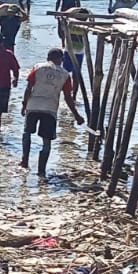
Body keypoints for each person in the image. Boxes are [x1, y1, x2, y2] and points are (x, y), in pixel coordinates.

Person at [20, 46, 86, 177]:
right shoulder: (65, 75)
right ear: (61, 59)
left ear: (48, 58)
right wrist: (77, 115)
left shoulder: (37, 68)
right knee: (46, 142)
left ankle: (24, 161)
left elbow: (28, 88)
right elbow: (68, 98)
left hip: (33, 106)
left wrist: (24, 105)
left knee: (27, 132)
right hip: (50, 109)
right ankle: (41, 171)